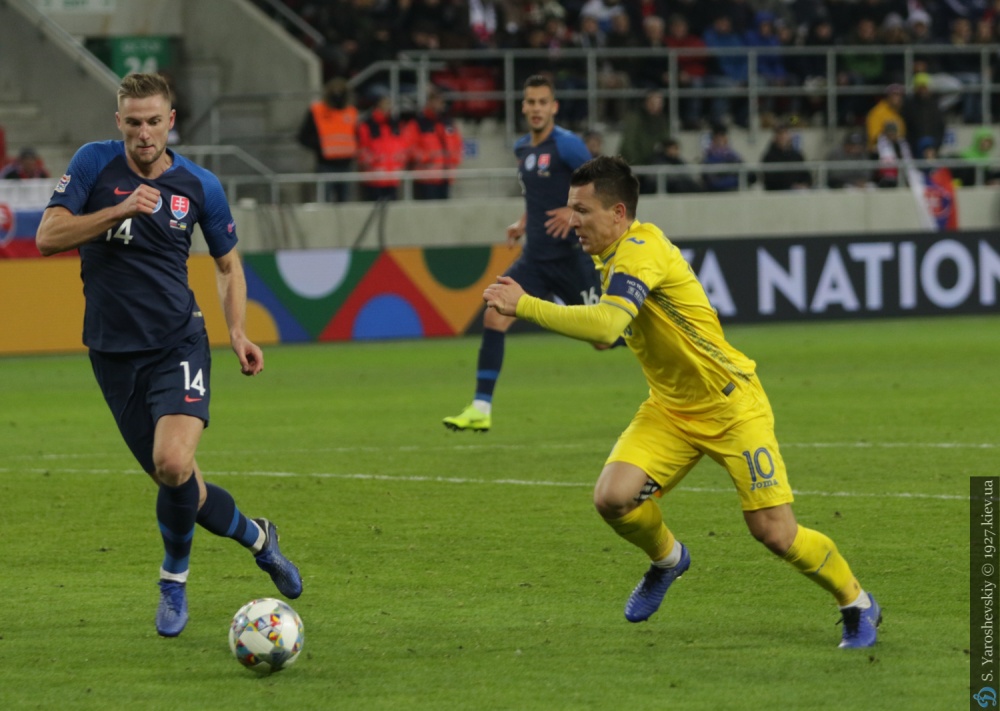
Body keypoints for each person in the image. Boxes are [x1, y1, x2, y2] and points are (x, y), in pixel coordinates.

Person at [482, 154, 881, 649]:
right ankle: (669, 560)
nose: (573, 220)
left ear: (618, 213)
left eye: (582, 210)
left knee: (774, 532)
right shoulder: (610, 256)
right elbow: (617, 328)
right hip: (670, 408)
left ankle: (856, 602)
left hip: (730, 405)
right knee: (613, 498)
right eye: (571, 209)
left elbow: (606, 326)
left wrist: (524, 305)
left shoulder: (641, 249)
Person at [34, 72, 302, 638]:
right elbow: (48, 237)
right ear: (119, 122)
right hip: (111, 353)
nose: (144, 133)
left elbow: (227, 265)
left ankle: (173, 582)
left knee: (174, 464)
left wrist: (238, 332)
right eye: (133, 123)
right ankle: (260, 538)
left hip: (178, 343)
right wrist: (119, 211)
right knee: (183, 487)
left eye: (154, 122)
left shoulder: (200, 185)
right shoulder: (93, 164)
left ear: (170, 121)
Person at [442, 75, 598, 433]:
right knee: (494, 314)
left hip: (571, 258)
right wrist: (524, 222)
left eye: (543, 102)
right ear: (523, 106)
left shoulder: (568, 146)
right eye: (531, 102)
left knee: (603, 340)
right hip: (536, 259)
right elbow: (538, 195)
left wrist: (573, 211)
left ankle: (651, 330)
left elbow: (601, 184)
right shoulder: (522, 149)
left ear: (554, 107)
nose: (536, 108)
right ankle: (480, 407)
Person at [297, 77, 359, 202]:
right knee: (323, 201)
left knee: (345, 203)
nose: (338, 95)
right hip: (325, 164)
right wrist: (320, 146)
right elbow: (303, 137)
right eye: (335, 91)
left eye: (340, 92)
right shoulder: (317, 111)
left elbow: (358, 135)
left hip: (347, 164)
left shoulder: (351, 112)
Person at [356, 93, 412, 201]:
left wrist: (399, 162)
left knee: (393, 206)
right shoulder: (367, 125)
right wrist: (374, 162)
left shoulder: (395, 124)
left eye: (389, 103)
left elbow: (403, 146)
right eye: (385, 103)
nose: (388, 106)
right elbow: (362, 149)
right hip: (374, 177)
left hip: (393, 176)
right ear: (377, 105)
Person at [618, 90, 672, 194]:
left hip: (653, 162)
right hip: (636, 163)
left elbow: (665, 141)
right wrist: (637, 165)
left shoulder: (662, 120)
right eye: (654, 102)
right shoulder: (634, 119)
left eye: (660, 103)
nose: (657, 106)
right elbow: (629, 145)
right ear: (646, 103)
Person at [760, 123, 812, 191]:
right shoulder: (769, 157)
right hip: (777, 193)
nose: (783, 137)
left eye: (785, 133)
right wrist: (789, 185)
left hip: (797, 193)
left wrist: (803, 184)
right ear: (775, 137)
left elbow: (806, 176)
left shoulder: (797, 155)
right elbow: (769, 180)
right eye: (780, 134)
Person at [865, 84, 906, 152]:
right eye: (895, 95)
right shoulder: (877, 112)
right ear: (888, 96)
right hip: (879, 151)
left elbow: (901, 135)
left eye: (900, 95)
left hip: (896, 149)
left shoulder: (899, 113)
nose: (898, 98)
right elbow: (874, 136)